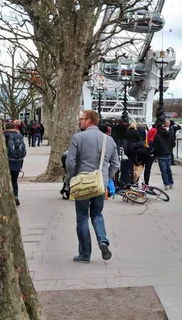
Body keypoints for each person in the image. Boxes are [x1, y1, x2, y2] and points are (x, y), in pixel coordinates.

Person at [66, 110, 119, 263]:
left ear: (89, 120)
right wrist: (105, 177)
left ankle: (84, 253)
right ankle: (103, 241)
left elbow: (70, 162)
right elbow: (115, 164)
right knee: (97, 214)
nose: (80, 121)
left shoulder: (78, 137)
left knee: (82, 218)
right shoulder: (108, 140)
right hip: (99, 184)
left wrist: (71, 178)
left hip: (82, 183)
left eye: (81, 118)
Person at [4, 121, 26, 207]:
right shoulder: (19, 136)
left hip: (7, 161)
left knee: (5, 181)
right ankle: (15, 196)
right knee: (14, 180)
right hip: (17, 161)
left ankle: (7, 199)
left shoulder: (4, 136)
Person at [153, 121, 175, 190]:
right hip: (168, 153)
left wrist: (155, 155)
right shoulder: (169, 134)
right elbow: (173, 144)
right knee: (168, 169)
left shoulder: (157, 136)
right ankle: (171, 183)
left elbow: (156, 147)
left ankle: (166, 184)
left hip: (161, 155)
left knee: (163, 170)